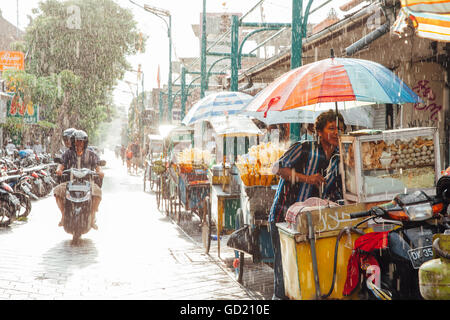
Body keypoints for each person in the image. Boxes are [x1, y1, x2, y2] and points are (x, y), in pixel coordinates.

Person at [268, 109, 345, 300]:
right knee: (284, 269)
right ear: (319, 131)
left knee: (307, 272)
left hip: (314, 223)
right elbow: (276, 168)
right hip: (284, 217)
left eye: (340, 129)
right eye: (332, 128)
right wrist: (306, 178)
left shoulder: (339, 156)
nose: (337, 132)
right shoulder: (304, 148)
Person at [54, 130, 104, 230]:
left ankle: (92, 216)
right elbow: (61, 164)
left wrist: (100, 172)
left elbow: (98, 167)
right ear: (73, 141)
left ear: (85, 142)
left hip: (88, 183)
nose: (79, 143)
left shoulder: (91, 154)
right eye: (77, 141)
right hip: (70, 182)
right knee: (57, 191)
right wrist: (59, 170)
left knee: (98, 193)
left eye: (81, 141)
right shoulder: (67, 153)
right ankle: (64, 216)